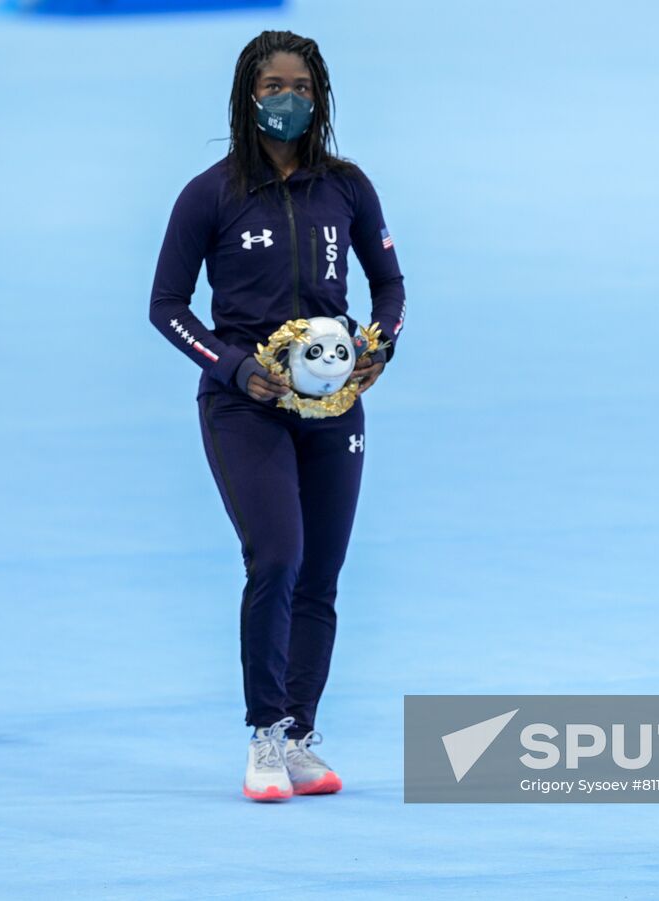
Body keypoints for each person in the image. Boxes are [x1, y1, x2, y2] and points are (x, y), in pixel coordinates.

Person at [149, 30, 407, 801]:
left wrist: (379, 345)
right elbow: (167, 307)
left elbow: (390, 286)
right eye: (273, 88)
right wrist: (234, 368)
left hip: (335, 407)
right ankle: (263, 734)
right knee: (277, 558)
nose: (288, 99)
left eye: (301, 87)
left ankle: (299, 735)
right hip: (244, 408)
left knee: (321, 574)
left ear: (319, 98)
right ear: (247, 97)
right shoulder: (211, 194)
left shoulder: (348, 188)